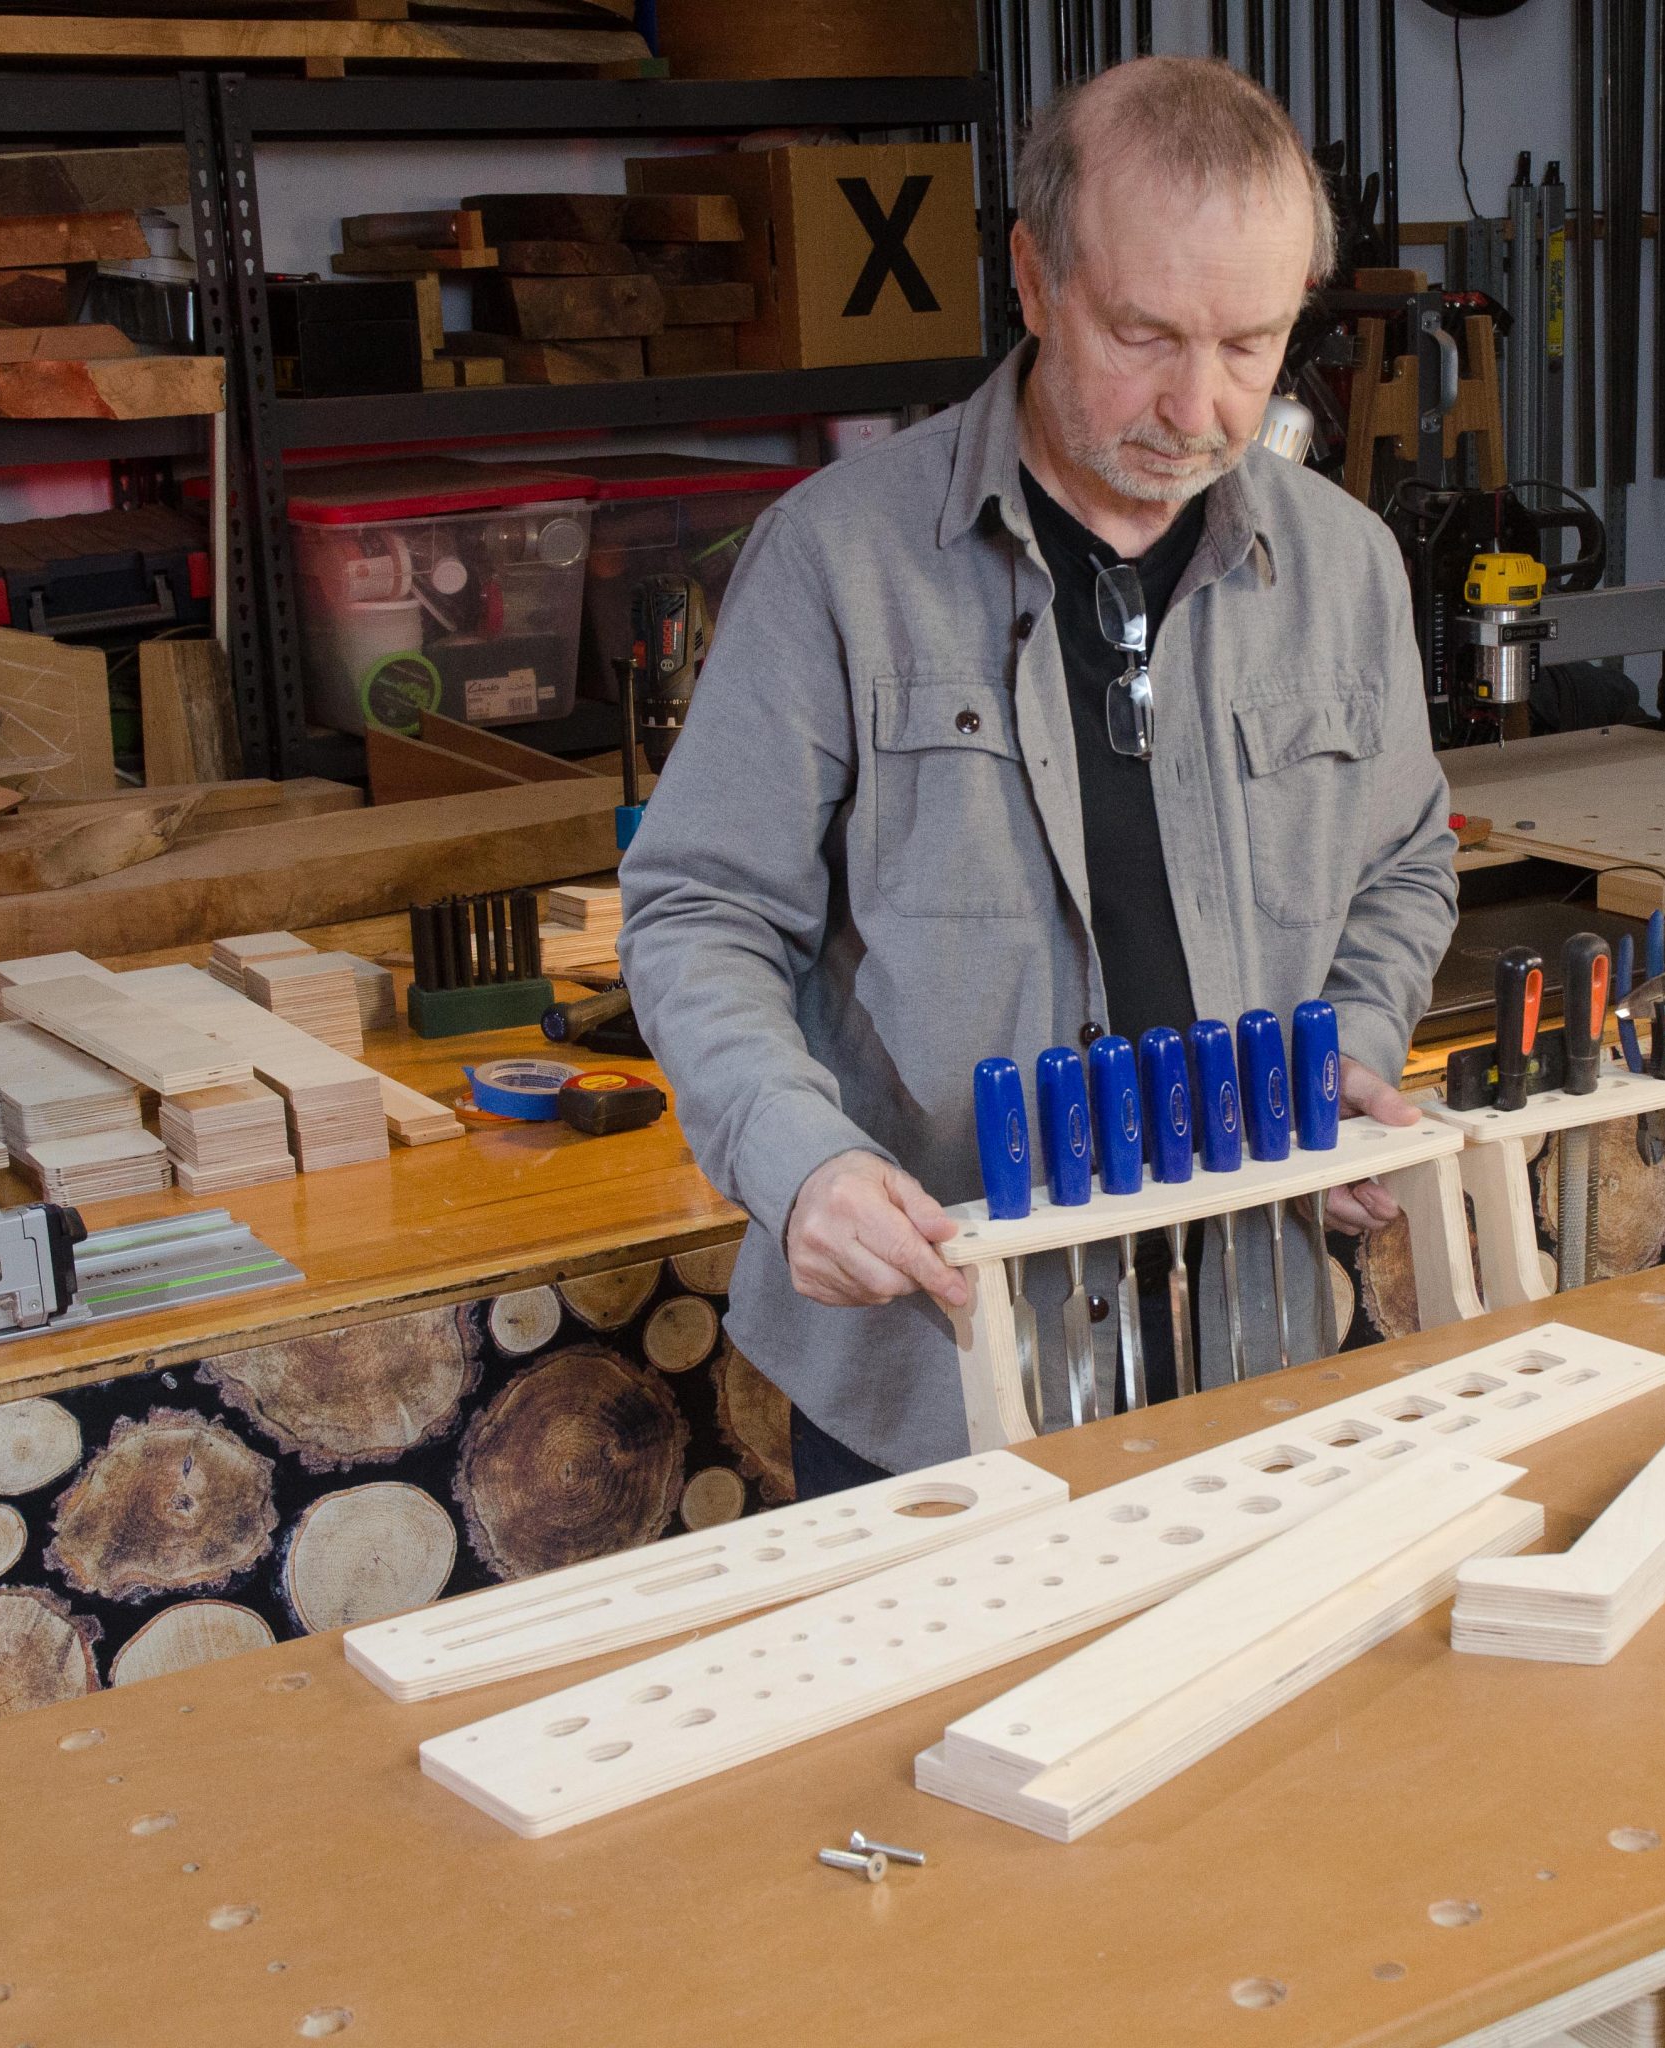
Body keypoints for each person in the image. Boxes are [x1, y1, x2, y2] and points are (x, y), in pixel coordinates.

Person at [618, 55, 1458, 1493]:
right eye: (1144, 335)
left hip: (1248, 1335)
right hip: (932, 1371)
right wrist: (799, 1160)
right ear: (1032, 275)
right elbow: (702, 911)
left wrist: (1345, 1053)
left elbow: (1403, 865)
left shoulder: (1346, 569)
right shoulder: (837, 560)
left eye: (1250, 345)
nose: (1198, 407)